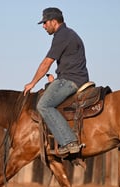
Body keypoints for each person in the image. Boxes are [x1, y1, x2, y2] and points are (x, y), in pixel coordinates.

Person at [23, 7, 89, 155]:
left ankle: (69, 142)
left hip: (71, 80)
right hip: (71, 77)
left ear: (54, 21)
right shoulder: (68, 34)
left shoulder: (62, 35)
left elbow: (47, 63)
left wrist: (32, 83)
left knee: (43, 105)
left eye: (45, 22)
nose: (43, 26)